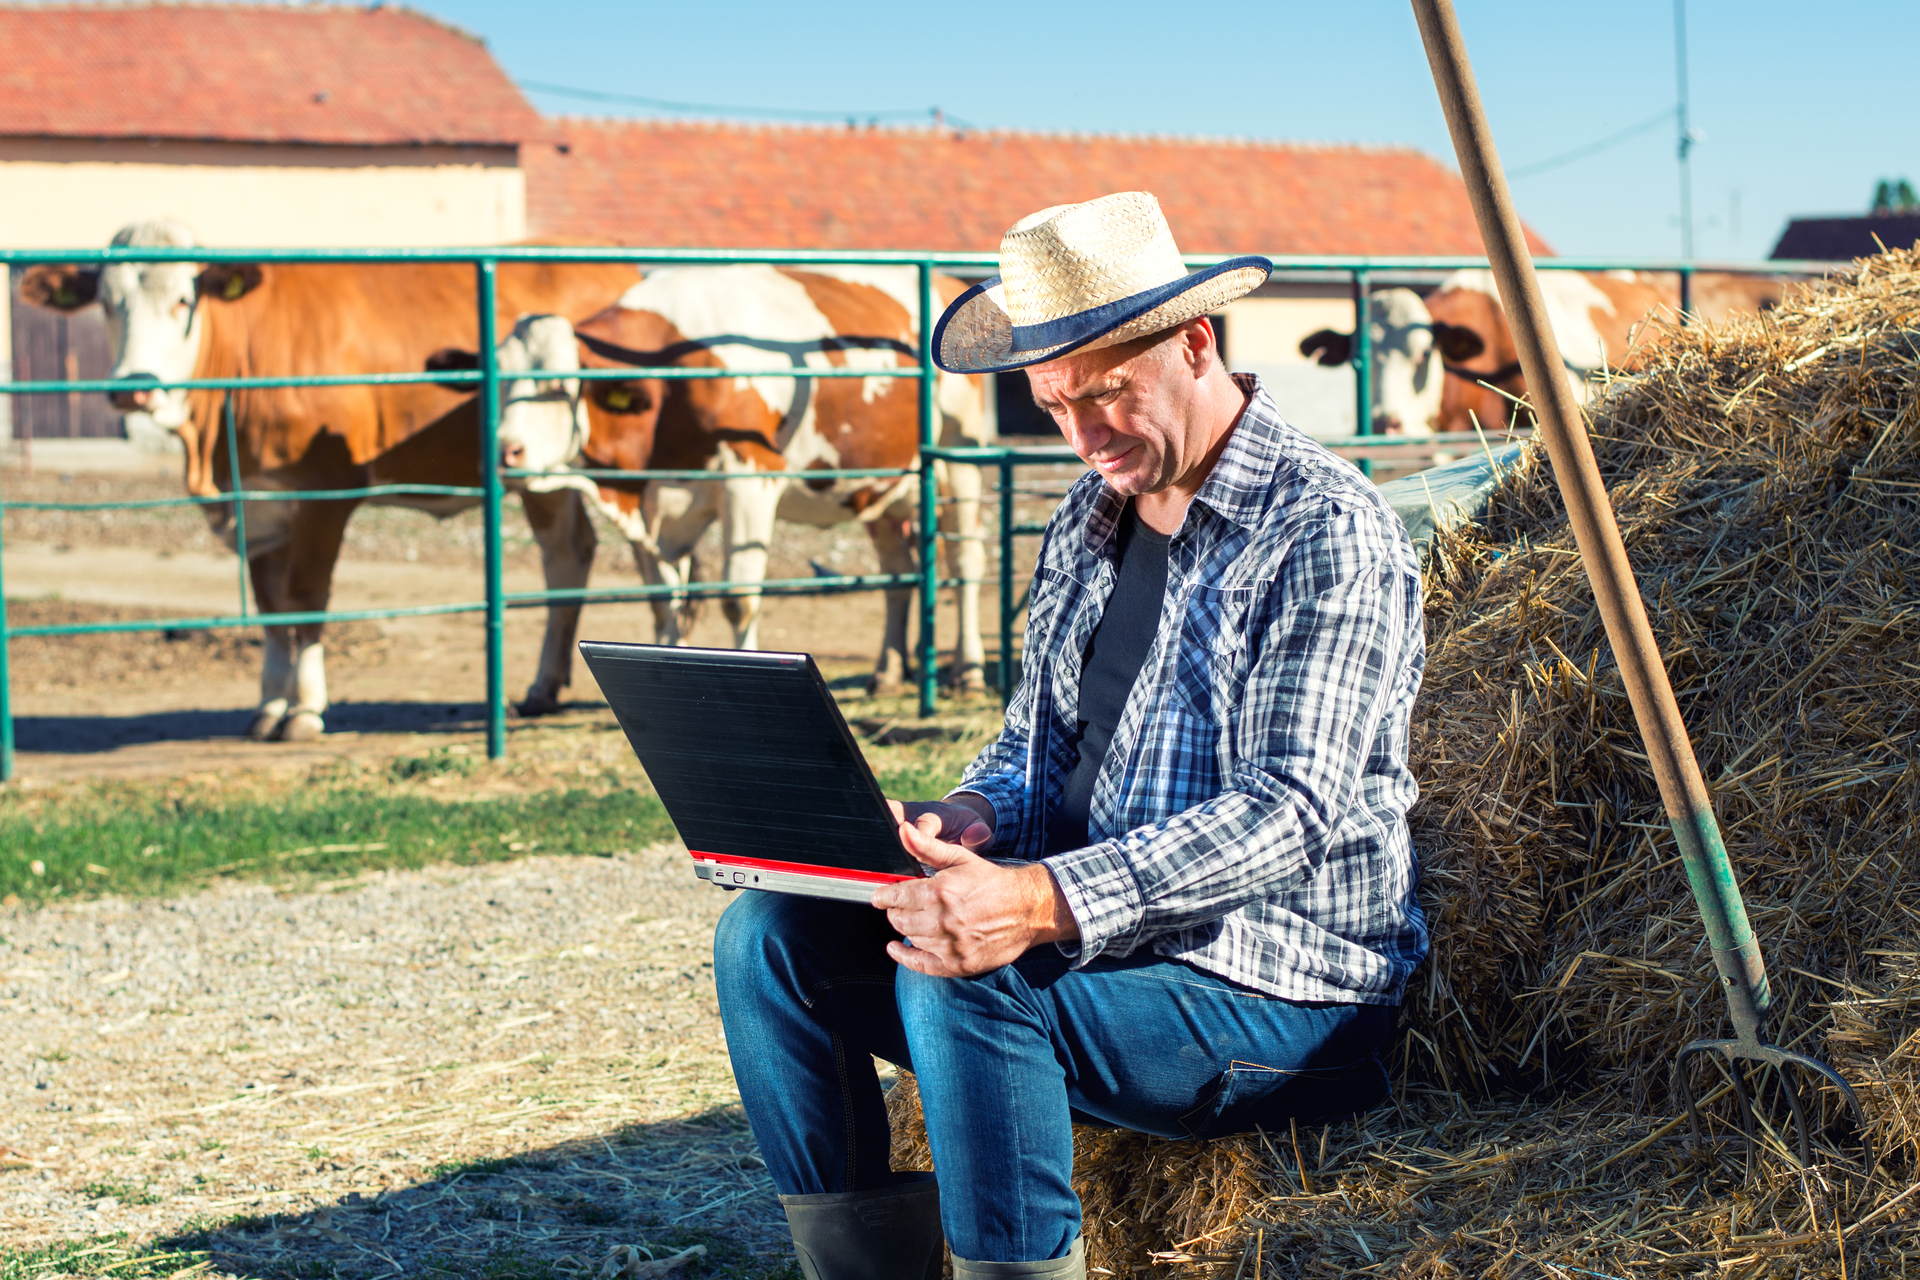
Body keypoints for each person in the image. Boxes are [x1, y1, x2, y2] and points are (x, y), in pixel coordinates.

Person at [713, 191, 1428, 1280]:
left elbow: (1289, 808)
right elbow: (1032, 748)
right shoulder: (1086, 518)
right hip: (1105, 945)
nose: (1084, 434)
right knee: (769, 936)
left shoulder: (1324, 528)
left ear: (1197, 342)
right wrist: (968, 816)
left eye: (1107, 394)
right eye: (1054, 405)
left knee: (971, 970)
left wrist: (1034, 899)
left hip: (1278, 985)